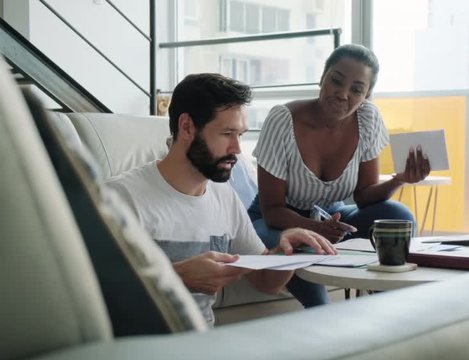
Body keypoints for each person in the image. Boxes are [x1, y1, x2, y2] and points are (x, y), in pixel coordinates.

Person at [106, 73, 335, 326]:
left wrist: (288, 252)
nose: (237, 149)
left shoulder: (224, 197)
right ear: (186, 127)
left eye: (240, 134)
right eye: (227, 133)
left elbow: (266, 282)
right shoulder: (119, 198)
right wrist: (176, 276)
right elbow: (89, 295)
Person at [248, 44, 431, 308]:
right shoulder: (283, 120)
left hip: (330, 217)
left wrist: (399, 179)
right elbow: (272, 209)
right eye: (336, 80)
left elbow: (365, 195)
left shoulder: (368, 118)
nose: (343, 94)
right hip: (277, 222)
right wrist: (316, 229)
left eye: (357, 89)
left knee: (399, 216)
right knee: (317, 299)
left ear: (366, 95)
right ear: (322, 78)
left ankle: (384, 304)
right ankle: (322, 314)